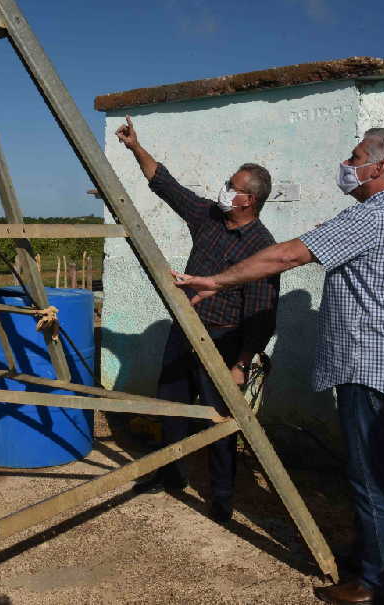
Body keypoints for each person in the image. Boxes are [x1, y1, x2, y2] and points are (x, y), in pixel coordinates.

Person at [175, 128, 384, 605]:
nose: (347, 162)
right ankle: (381, 558)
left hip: (372, 368)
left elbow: (286, 254)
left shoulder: (373, 216)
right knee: (383, 470)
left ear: (378, 169)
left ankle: (376, 586)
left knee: (370, 477)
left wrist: (215, 281)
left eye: (355, 156)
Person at [115, 116, 280, 524]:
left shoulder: (262, 246)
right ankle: (171, 474)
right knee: (172, 407)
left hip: (225, 342)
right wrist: (136, 146)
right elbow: (166, 184)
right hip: (185, 330)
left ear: (248, 201)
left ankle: (222, 496)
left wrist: (241, 363)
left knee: (219, 420)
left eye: (232, 185)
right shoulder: (208, 217)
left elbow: (262, 316)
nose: (224, 189)